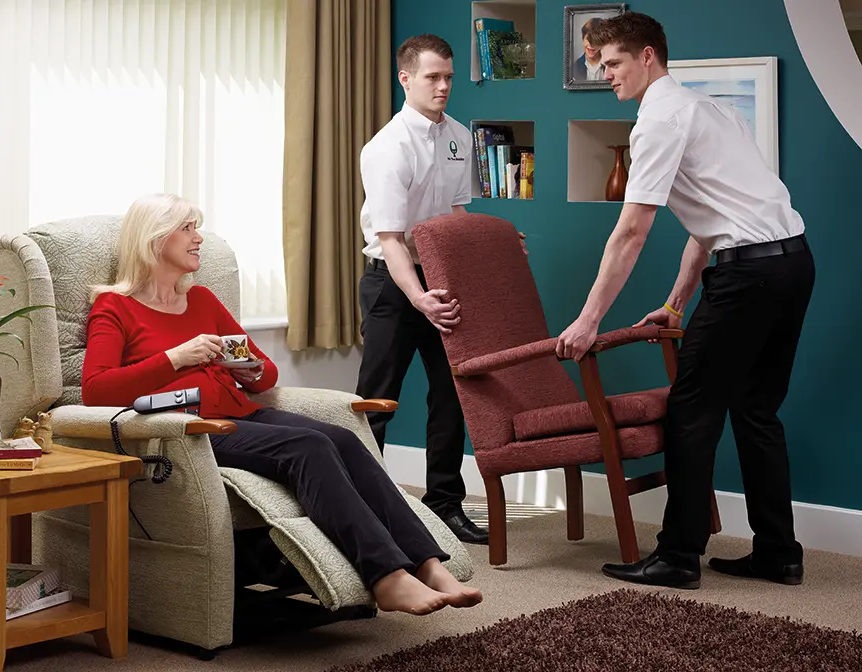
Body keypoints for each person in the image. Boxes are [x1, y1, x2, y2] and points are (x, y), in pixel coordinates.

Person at [81, 193, 483, 616]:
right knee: (307, 448)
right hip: (191, 429)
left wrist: (246, 367)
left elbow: (266, 374)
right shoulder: (115, 306)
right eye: (188, 228)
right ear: (153, 239)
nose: (199, 238)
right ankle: (386, 576)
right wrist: (176, 358)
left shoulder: (201, 301)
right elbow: (96, 391)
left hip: (242, 414)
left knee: (343, 439)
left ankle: (429, 564)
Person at [555, 12, 814, 589]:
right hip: (793, 262)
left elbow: (632, 231)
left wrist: (587, 320)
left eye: (614, 63)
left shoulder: (660, 121)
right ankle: (779, 553)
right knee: (756, 411)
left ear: (649, 56)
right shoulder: (710, 109)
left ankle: (677, 556)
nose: (607, 75)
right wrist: (676, 303)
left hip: (748, 278)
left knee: (691, 410)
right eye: (600, 65)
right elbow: (710, 222)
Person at [355, 34, 496, 545]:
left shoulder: (459, 135)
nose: (443, 86)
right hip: (394, 289)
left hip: (442, 282)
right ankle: (362, 505)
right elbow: (390, 239)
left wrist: (490, 241)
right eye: (432, 77)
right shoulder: (387, 148)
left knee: (453, 394)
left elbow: (456, 216)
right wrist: (418, 297)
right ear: (406, 78)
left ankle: (445, 505)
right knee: (377, 399)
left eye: (449, 77)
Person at [573, 18, 605, 82]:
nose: (591, 44)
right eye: (588, 39)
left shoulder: (611, 65)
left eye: (596, 40)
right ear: (583, 39)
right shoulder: (574, 68)